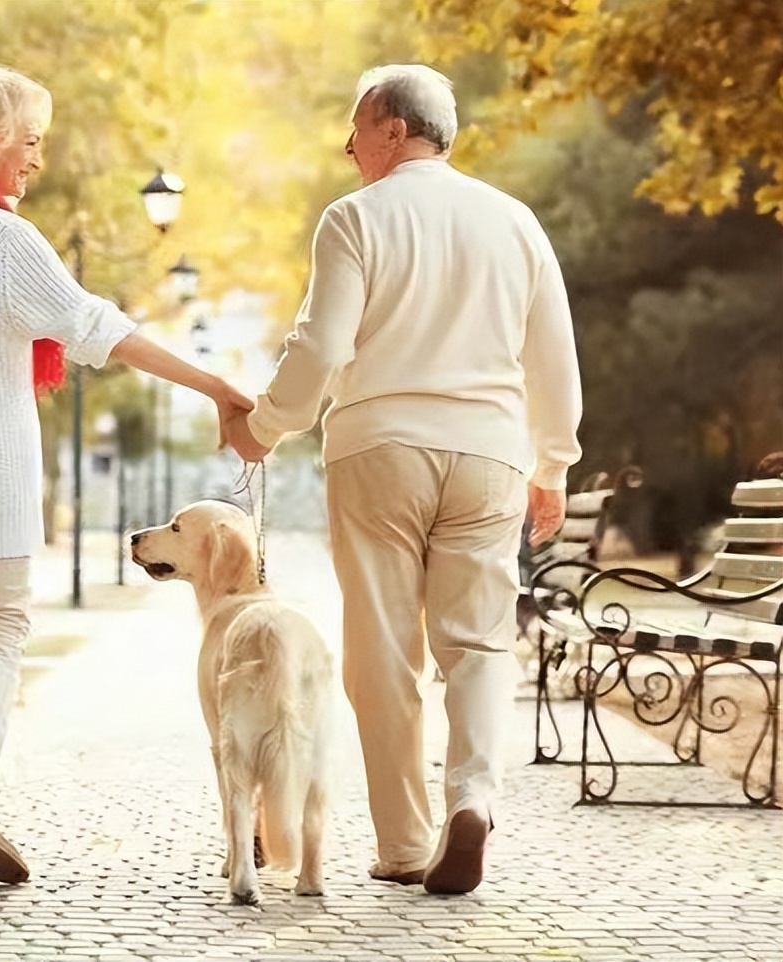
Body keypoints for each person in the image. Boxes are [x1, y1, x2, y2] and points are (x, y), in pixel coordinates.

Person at [0, 63, 253, 884]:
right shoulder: (1, 238)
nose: (36, 160)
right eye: (30, 142)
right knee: (0, 627)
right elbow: (98, 328)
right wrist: (214, 384)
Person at [223, 63, 582, 895]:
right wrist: (553, 463)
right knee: (479, 639)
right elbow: (553, 355)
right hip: (489, 451)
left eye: (355, 131)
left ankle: (406, 842)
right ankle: (475, 800)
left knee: (384, 648)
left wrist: (264, 426)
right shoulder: (514, 221)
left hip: (379, 448)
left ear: (391, 128)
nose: (348, 149)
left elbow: (319, 349)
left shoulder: (354, 218)